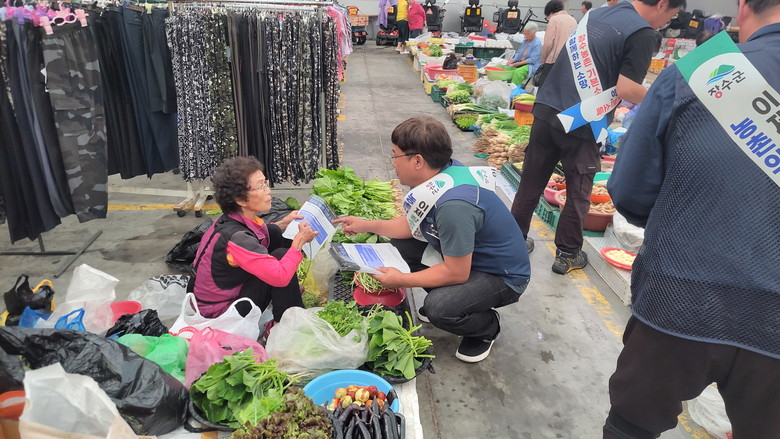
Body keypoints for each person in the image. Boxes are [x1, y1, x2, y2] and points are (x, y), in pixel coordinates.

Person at [603, 0, 780, 437]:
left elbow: (629, 192)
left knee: (632, 425)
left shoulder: (702, 69)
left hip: (678, 297)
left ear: (743, 7)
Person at [334, 117, 531, 363]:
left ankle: (486, 327)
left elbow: (456, 273)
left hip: (503, 276)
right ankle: (458, 299)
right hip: (469, 258)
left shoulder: (454, 206)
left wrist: (400, 279)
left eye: (395, 155)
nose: (392, 162)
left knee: (440, 308)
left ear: (417, 161)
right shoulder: (442, 175)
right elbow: (412, 224)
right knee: (400, 249)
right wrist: (366, 224)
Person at [509, 0, 684, 275]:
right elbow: (627, 88)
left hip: (546, 108)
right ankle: (567, 254)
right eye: (671, 16)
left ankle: (512, 242)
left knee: (531, 182)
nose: (666, 23)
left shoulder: (597, 14)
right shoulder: (642, 33)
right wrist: (666, 101)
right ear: (662, 4)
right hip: (581, 120)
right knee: (578, 191)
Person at [191, 156, 318, 325]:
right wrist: (299, 241)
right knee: (281, 258)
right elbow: (279, 277)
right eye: (260, 186)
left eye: (265, 183)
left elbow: (262, 234)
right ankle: (287, 326)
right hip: (220, 314)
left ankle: (286, 302)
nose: (268, 190)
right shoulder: (238, 239)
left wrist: (285, 223)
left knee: (274, 232)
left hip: (222, 296)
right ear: (240, 199)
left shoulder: (233, 219)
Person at [539, 1, 578, 87]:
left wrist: (543, 59)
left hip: (553, 60)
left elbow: (548, 44)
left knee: (545, 87)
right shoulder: (573, 20)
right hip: (569, 60)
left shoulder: (554, 20)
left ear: (550, 12)